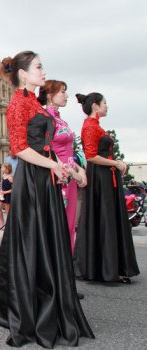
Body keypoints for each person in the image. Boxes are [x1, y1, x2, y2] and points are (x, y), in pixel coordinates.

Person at [0, 51, 93, 347]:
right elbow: (19, 148)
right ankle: (32, 311)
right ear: (22, 73)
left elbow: (49, 146)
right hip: (31, 181)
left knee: (48, 241)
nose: (43, 71)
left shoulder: (34, 102)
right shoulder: (17, 104)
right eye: (38, 67)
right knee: (34, 244)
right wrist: (55, 166)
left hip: (45, 178)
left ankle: (52, 305)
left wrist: (71, 167)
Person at [74, 91, 139, 283]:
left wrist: (115, 163)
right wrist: (116, 163)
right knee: (104, 218)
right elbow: (91, 155)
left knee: (107, 218)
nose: (107, 106)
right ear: (95, 105)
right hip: (100, 177)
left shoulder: (94, 125)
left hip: (105, 176)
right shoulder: (90, 126)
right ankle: (106, 268)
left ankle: (109, 266)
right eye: (104, 103)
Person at [38, 80, 87, 252]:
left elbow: (69, 151)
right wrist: (70, 172)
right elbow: (46, 149)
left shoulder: (61, 121)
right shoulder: (45, 118)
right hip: (57, 176)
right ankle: (56, 264)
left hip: (70, 176)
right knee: (57, 221)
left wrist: (79, 169)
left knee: (70, 220)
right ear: (50, 96)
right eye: (62, 92)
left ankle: (66, 261)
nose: (66, 96)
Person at [0, 163, 13, 230]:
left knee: (7, 210)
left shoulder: (10, 177)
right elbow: (3, 186)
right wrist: (0, 192)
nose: (1, 169)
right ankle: (2, 221)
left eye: (2, 167)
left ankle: (8, 224)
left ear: (7, 169)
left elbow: (13, 189)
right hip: (2, 194)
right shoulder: (3, 175)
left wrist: (5, 192)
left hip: (8, 195)